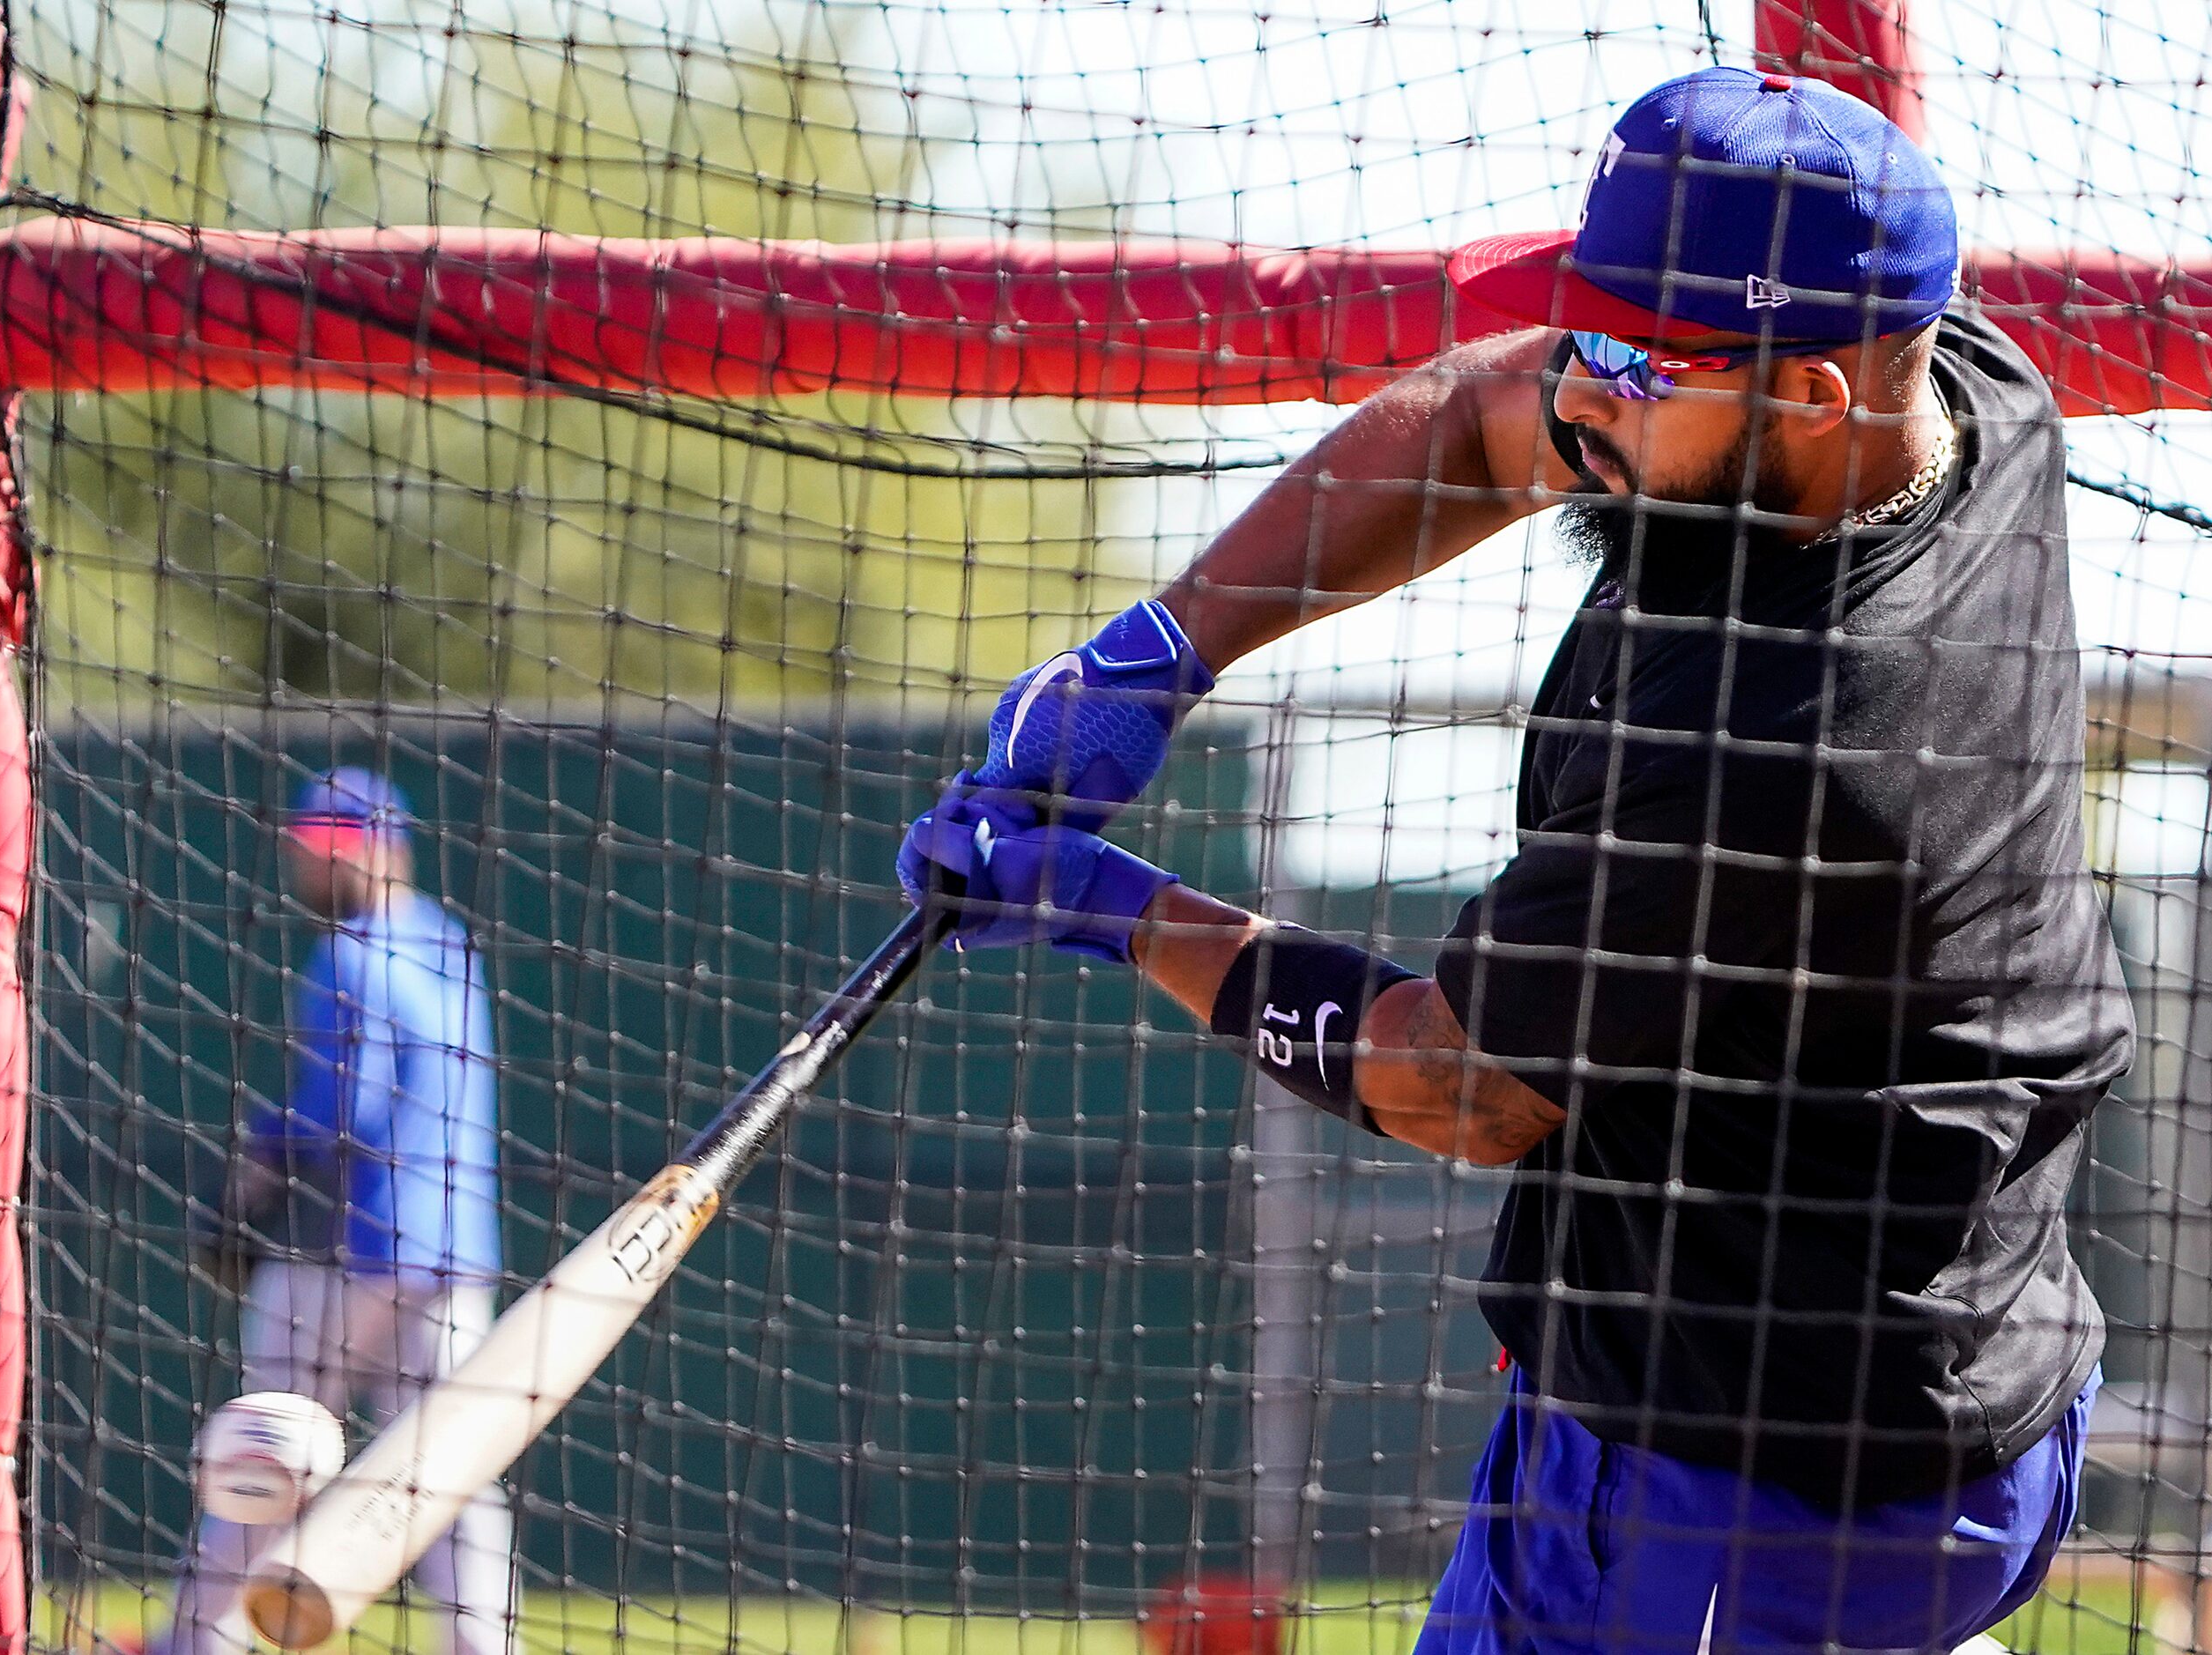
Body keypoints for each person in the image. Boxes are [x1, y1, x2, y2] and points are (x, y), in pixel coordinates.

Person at [899, 67, 2134, 1655]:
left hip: (1763, 1491)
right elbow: (1494, 415)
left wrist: (1120, 912)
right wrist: (1162, 646)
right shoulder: (1959, 384)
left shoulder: (1795, 748)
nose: (1577, 396)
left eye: (1632, 364)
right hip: (1871, 1379)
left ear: (1818, 397)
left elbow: (1462, 1085)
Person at [159, 768, 512, 1655]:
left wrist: (257, 1171)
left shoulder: (352, 950)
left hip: (352, 1250)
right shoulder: (448, 942)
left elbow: (344, 1111)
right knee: (451, 1478)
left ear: (373, 847)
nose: (307, 865)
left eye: (323, 848)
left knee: (263, 1458)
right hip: (455, 1247)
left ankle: (201, 1643)